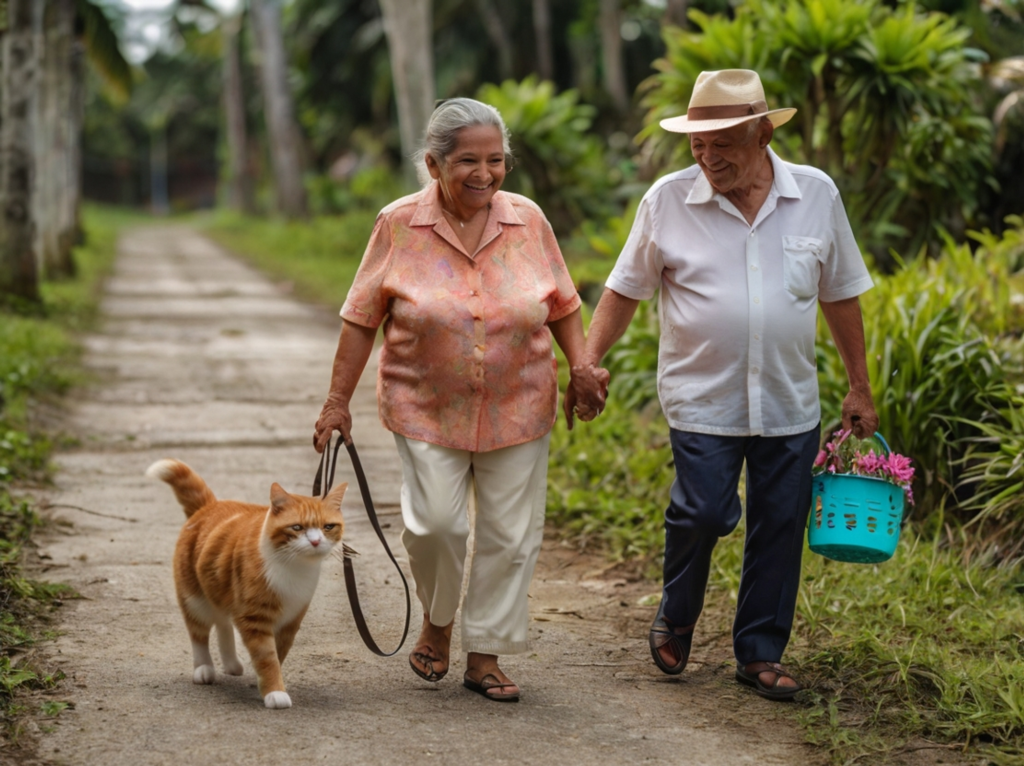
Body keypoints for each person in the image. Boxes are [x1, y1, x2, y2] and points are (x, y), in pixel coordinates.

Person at [570, 69, 879, 701]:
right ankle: (678, 612)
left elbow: (840, 292)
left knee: (781, 523)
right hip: (701, 396)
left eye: (724, 144)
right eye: (698, 146)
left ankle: (760, 653)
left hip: (791, 399)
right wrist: (589, 362)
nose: (709, 158)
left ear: (764, 133)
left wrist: (859, 387)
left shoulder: (816, 195)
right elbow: (625, 288)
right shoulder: (667, 200)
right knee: (704, 510)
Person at [313, 98, 590, 703]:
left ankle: (484, 655)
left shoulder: (528, 221)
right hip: (424, 402)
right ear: (435, 163)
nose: (484, 174)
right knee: (436, 524)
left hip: (521, 399)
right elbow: (361, 317)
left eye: (496, 160)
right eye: (468, 160)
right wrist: (337, 401)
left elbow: (563, 303)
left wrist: (584, 366)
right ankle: (438, 622)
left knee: (511, 534)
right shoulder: (397, 223)